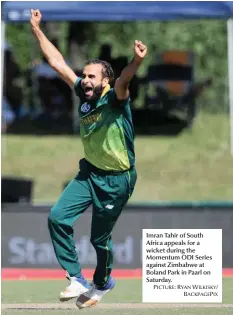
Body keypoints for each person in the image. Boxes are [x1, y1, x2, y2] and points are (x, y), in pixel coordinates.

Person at [30, 9, 147, 309]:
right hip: (89, 173)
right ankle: (76, 278)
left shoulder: (115, 98)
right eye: (85, 76)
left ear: (105, 81)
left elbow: (125, 79)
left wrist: (136, 61)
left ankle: (103, 282)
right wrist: (37, 30)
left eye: (92, 76)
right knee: (57, 217)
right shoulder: (85, 96)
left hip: (118, 179)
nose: (85, 80)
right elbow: (57, 63)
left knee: (99, 240)